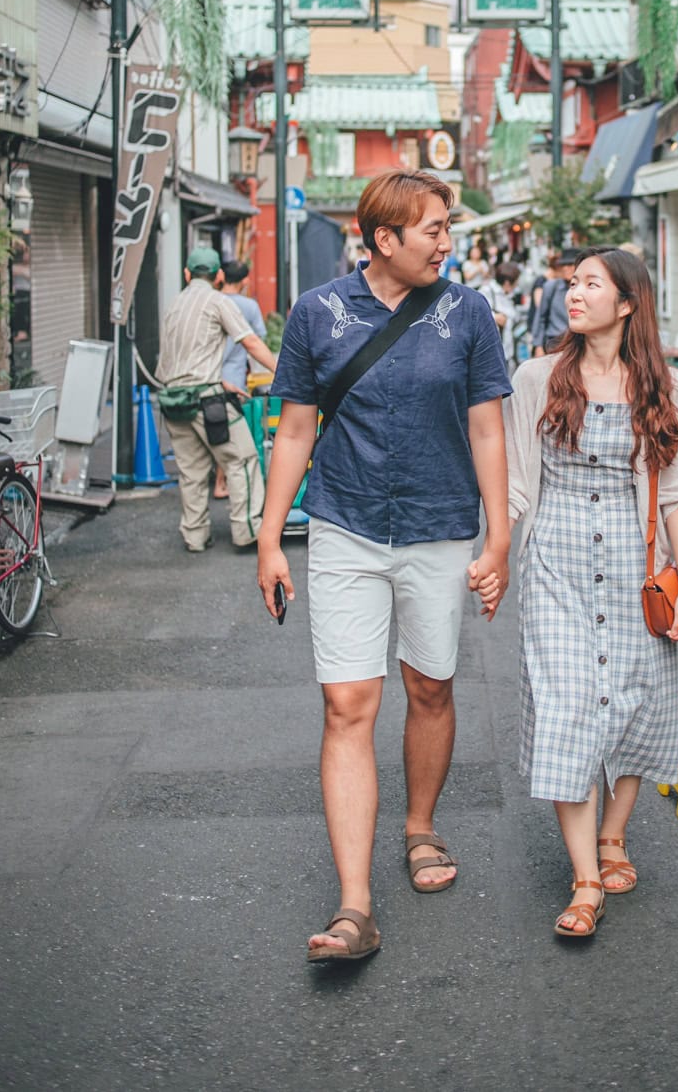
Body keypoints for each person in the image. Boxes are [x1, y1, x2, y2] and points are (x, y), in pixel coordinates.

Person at [255, 170, 513, 963]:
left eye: (447, 227)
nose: (447, 241)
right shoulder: (318, 313)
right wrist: (270, 539)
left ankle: (420, 826)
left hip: (439, 527)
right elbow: (295, 429)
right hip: (345, 525)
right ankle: (354, 905)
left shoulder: (468, 313)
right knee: (347, 704)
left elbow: (488, 432)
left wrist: (497, 540)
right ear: (383, 240)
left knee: (430, 685)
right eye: (432, 229)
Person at [504, 246, 678, 939]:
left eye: (591, 283)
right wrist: (495, 554)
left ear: (627, 304)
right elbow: (519, 483)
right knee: (566, 709)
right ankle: (586, 878)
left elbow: (676, 492)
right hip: (555, 565)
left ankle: (615, 834)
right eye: (573, 281)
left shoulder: (666, 388)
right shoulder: (536, 378)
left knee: (638, 702)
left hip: (632, 564)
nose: (573, 292)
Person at [155, 246, 277, 554]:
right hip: (208, 402)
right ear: (219, 276)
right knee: (242, 459)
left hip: (172, 400)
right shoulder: (217, 301)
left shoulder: (173, 306)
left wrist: (220, 380)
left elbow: (176, 364)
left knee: (192, 470)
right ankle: (247, 530)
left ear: (186, 274)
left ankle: (195, 537)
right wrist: (286, 371)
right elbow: (249, 341)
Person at [214, 259, 270, 501]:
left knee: (212, 428)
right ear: (245, 280)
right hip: (234, 375)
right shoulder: (248, 306)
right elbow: (258, 338)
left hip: (207, 374)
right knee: (228, 432)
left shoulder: (211, 301)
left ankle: (217, 480)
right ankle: (221, 483)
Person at [530, 249, 579, 356]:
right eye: (563, 265)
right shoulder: (551, 286)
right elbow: (541, 316)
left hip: (577, 343)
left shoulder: (583, 290)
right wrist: (538, 345)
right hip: (554, 342)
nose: (566, 268)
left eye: (570, 264)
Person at [479, 260, 521, 372]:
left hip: (507, 352)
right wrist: (494, 317)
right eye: (515, 282)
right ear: (507, 283)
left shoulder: (510, 294)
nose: (517, 285)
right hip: (491, 354)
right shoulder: (487, 291)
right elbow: (476, 314)